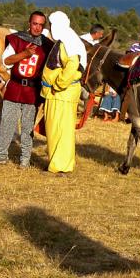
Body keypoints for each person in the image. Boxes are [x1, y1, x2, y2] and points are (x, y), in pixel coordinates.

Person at [0, 11, 51, 167]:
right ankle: (1, 156)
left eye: (40, 25)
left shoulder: (47, 45)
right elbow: (6, 61)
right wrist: (24, 53)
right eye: (35, 24)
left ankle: (25, 159)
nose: (37, 27)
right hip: (15, 87)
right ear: (29, 23)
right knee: (7, 124)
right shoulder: (17, 39)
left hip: (32, 91)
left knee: (27, 128)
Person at [40, 11, 87, 174]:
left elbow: (72, 65)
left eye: (51, 24)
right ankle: (60, 163)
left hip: (61, 94)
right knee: (60, 129)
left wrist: (58, 85)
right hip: (60, 94)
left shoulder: (68, 42)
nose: (49, 27)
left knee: (59, 130)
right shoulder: (69, 39)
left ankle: (59, 166)